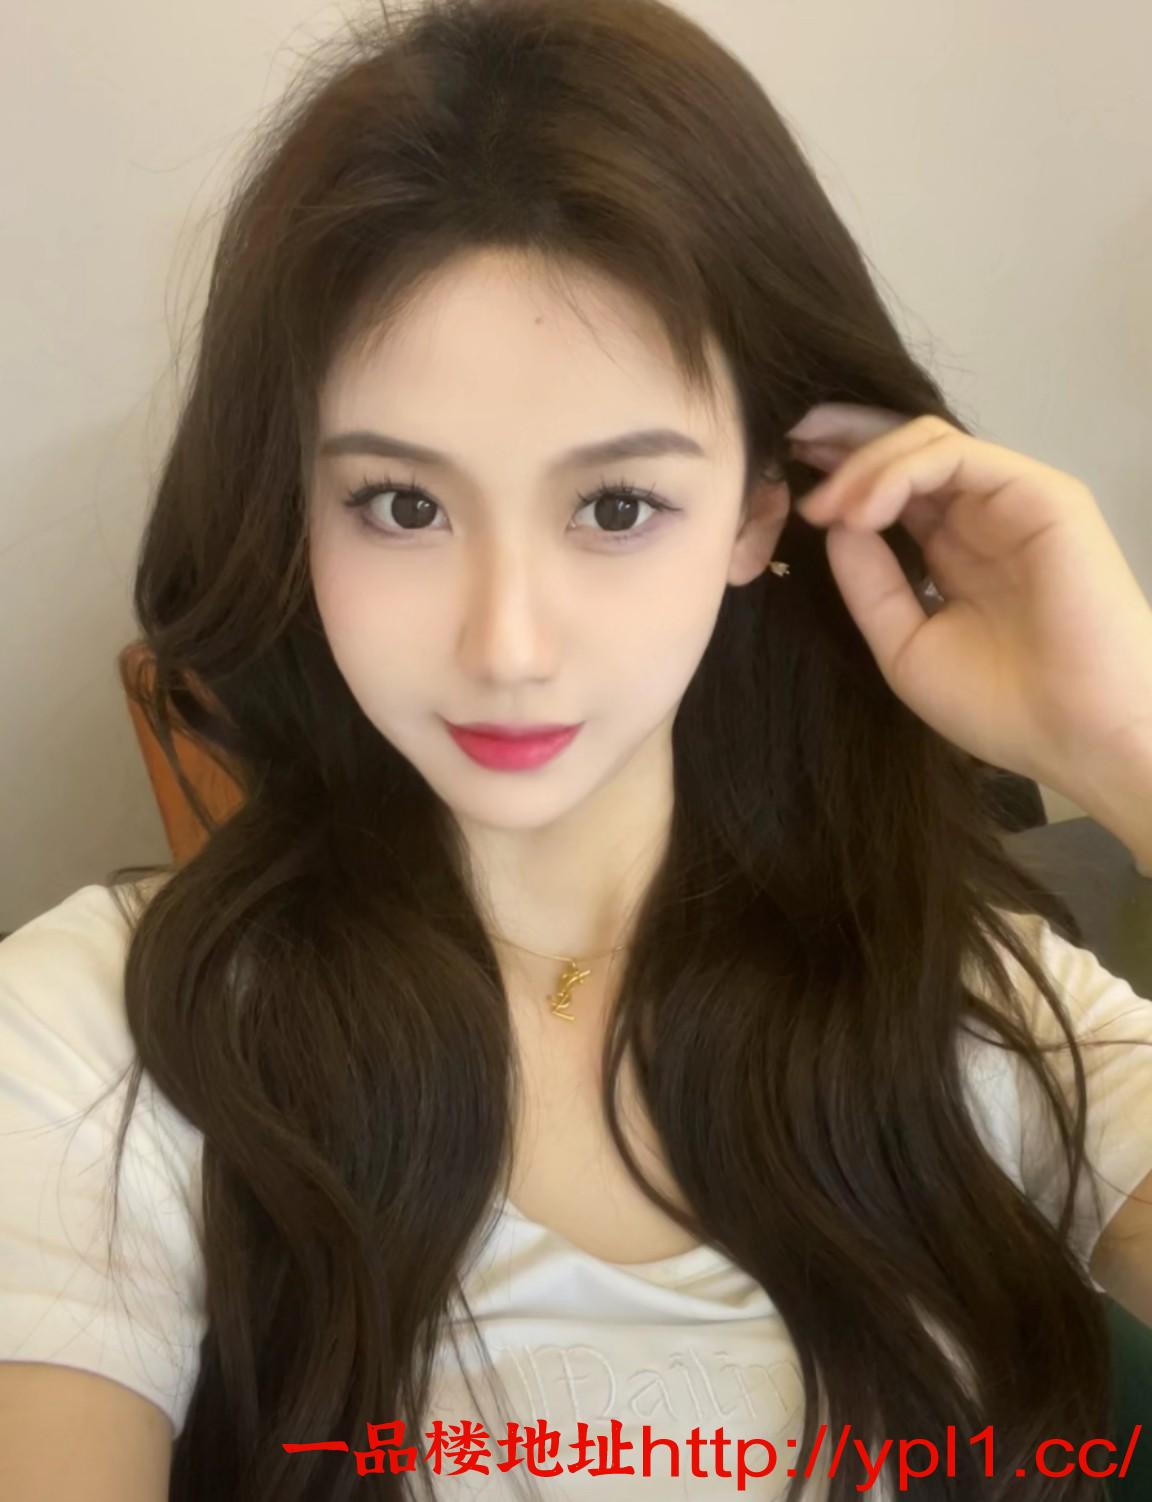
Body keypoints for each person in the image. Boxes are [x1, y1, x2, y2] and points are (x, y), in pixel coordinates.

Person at [2, 2, 1151, 1499]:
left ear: (758, 509)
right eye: (402, 505)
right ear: (296, 509)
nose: (508, 643)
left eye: (615, 506)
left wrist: (1128, 742)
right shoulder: (101, 1036)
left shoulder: (968, 1013)